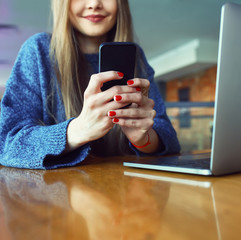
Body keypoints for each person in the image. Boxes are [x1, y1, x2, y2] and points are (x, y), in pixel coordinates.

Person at [0, 0, 181, 169]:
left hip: (123, 190)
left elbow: (170, 140)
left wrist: (144, 138)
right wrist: (79, 130)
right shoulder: (38, 50)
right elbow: (7, 145)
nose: (94, 4)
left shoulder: (136, 57)